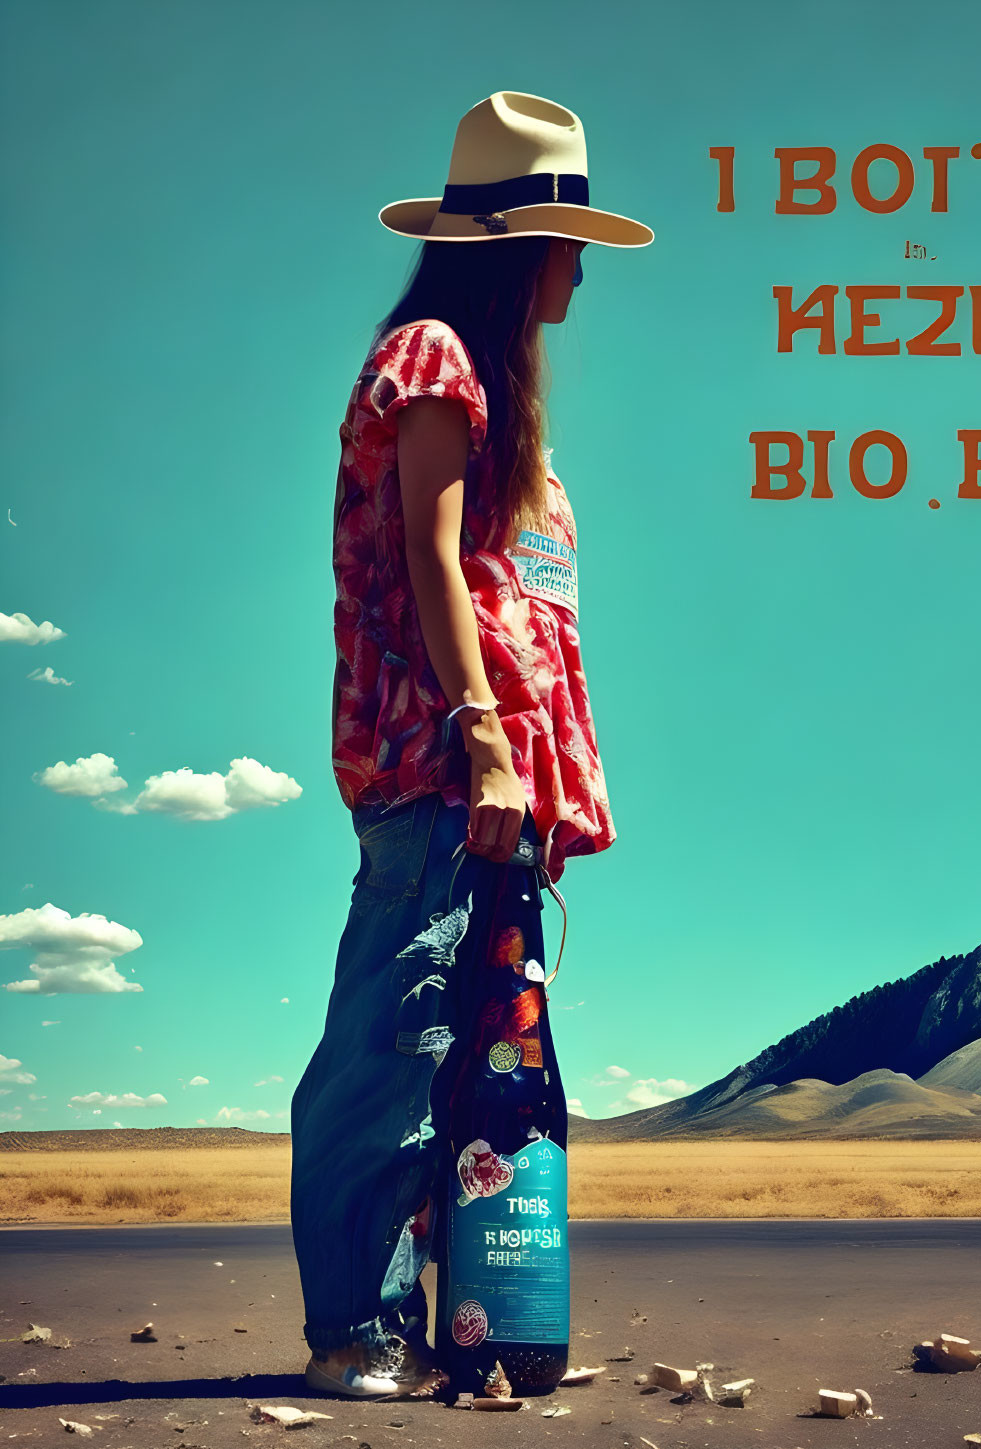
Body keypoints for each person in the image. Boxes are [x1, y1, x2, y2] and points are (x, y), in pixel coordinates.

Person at [288, 91, 652, 1400]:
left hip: (498, 799)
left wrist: (536, 783)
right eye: (566, 235)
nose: (580, 263)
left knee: (473, 1067)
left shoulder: (508, 408)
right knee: (394, 1040)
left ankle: (470, 1317)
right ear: (512, 243)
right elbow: (430, 563)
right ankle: (355, 1331)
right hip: (447, 774)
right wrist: (487, 741)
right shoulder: (434, 355)